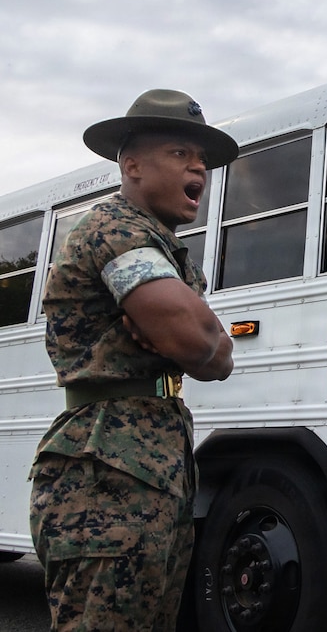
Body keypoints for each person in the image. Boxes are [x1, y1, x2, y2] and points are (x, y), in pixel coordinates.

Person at [28, 88, 238, 631]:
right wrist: (194, 337)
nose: (199, 167)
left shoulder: (164, 248)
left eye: (202, 159)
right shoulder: (116, 230)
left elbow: (218, 357)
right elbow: (199, 343)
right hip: (105, 475)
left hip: (153, 470)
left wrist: (196, 338)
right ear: (132, 166)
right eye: (180, 153)